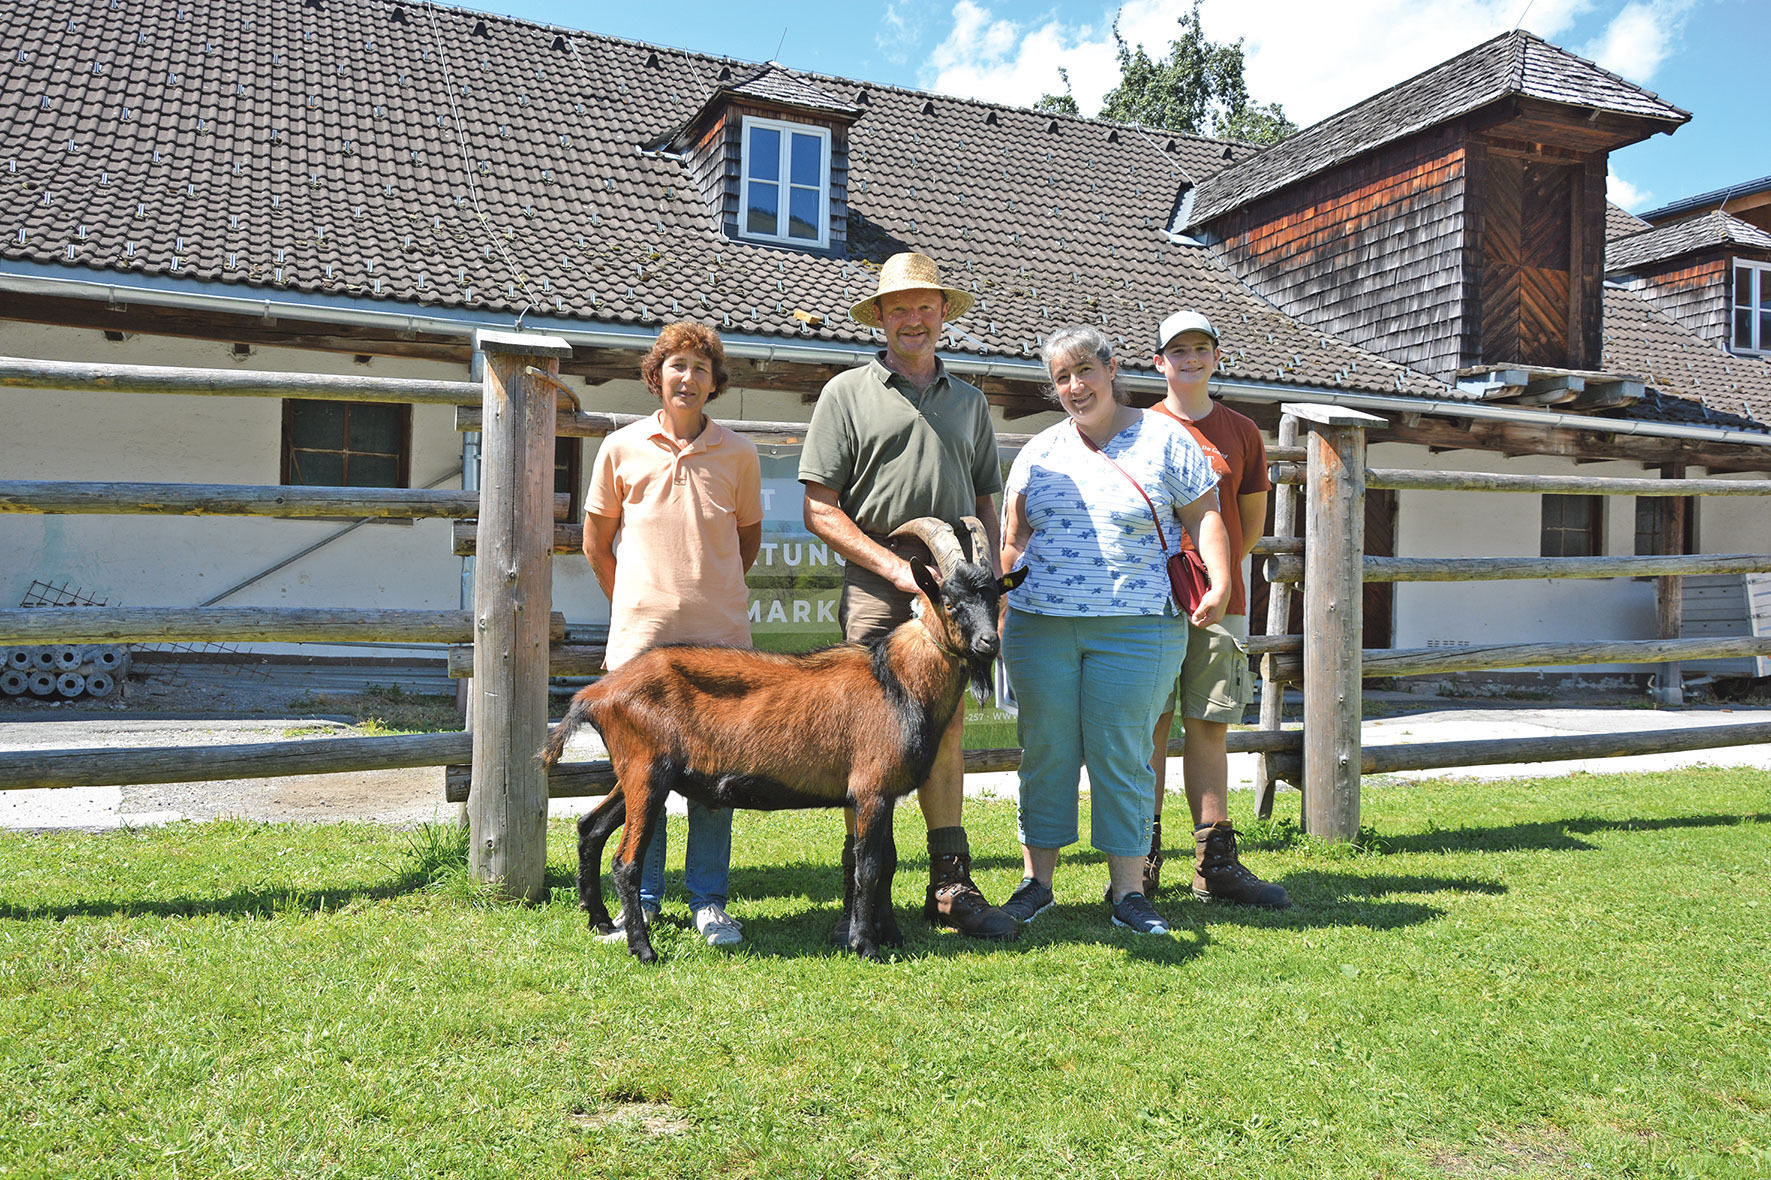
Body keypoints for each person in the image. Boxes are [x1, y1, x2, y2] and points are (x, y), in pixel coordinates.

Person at [798, 251, 1019, 942]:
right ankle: (863, 893)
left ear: (942, 315)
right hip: (879, 589)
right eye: (899, 308)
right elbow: (820, 508)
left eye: (925, 306)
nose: (913, 319)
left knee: (944, 730)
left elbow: (986, 501)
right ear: (882, 318)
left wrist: (988, 591)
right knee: (865, 736)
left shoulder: (969, 401)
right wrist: (893, 570)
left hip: (955, 595)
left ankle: (950, 885)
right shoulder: (845, 394)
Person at [996, 325, 1233, 935]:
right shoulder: (1039, 450)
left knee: (1124, 755)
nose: (1075, 387)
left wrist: (1222, 581)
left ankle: (1128, 893)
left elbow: (1206, 516)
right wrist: (1003, 609)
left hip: (1137, 628)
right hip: (1040, 626)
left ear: (1111, 368)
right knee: (1045, 751)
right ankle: (1036, 884)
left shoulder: (1164, 439)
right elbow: (1012, 538)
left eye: (1085, 371)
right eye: (1061, 378)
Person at [583, 321, 763, 948]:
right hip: (640, 649)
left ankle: (709, 902)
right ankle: (646, 900)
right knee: (644, 775)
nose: (688, 378)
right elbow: (596, 544)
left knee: (717, 779)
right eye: (677, 365)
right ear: (656, 375)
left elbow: (746, 545)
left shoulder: (739, 454)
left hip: (721, 648)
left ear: (716, 383)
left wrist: (703, 595)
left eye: (701, 368)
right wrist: (635, 603)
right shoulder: (620, 449)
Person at [1145, 311, 1290, 909]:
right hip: (1149, 600)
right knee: (1146, 728)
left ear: (1217, 357)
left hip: (1220, 600)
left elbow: (1250, 522)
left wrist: (1220, 580)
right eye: (1178, 351)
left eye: (1202, 348)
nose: (1191, 359)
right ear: (1159, 362)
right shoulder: (1140, 428)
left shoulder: (1242, 432)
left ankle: (1214, 862)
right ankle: (1140, 860)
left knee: (1210, 723)